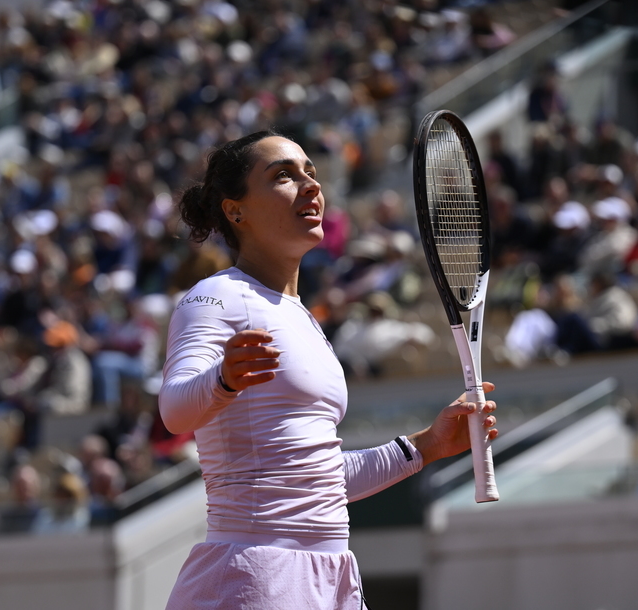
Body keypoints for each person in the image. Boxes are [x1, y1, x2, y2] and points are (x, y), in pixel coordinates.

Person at [159, 131, 499, 609]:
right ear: (236, 211)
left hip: (331, 577)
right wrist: (223, 379)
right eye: (284, 176)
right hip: (253, 577)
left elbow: (314, 478)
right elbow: (174, 410)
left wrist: (425, 446)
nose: (310, 186)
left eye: (310, 173)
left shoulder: (303, 316)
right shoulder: (213, 298)